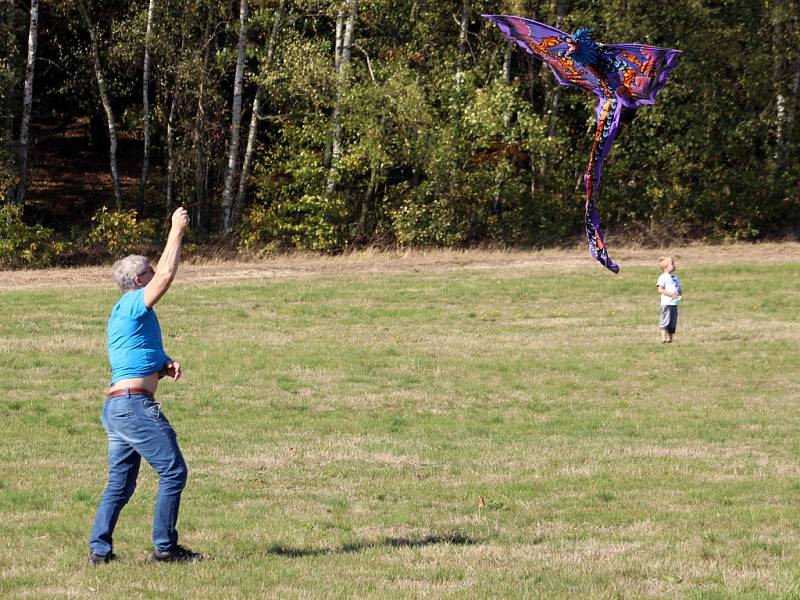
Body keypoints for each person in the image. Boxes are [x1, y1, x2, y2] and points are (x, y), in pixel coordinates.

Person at [88, 207, 202, 565]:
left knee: (120, 486)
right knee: (174, 471)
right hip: (134, 407)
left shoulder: (128, 312)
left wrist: (163, 365)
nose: (156, 278)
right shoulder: (134, 303)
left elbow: (135, 353)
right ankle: (165, 549)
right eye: (149, 275)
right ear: (140, 281)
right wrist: (176, 229)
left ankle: (99, 552)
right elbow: (166, 274)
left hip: (120, 407)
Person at [657, 256, 683, 343]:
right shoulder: (663, 277)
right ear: (666, 267)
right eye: (672, 264)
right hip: (666, 303)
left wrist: (679, 295)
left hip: (674, 303)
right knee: (665, 320)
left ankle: (670, 339)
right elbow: (660, 289)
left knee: (672, 321)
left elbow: (677, 288)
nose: (674, 265)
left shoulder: (674, 277)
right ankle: (663, 338)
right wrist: (671, 295)